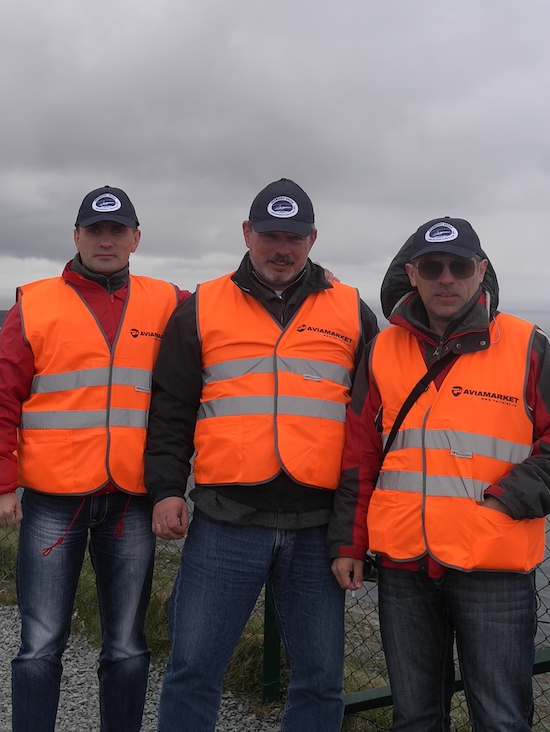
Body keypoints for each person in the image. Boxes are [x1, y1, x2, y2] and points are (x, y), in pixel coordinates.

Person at [329, 216, 550, 732]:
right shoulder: (383, 350)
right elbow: (360, 455)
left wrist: (505, 499)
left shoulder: (527, 344)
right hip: (404, 565)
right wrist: (349, 542)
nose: (446, 278)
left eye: (459, 266)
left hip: (493, 566)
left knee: (500, 719)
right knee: (414, 716)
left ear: (481, 270)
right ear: (413, 274)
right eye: (432, 267)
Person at [144, 177, 379, 731]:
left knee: (319, 681)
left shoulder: (352, 310)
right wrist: (165, 491)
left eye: (294, 237)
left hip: (317, 526)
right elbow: (171, 408)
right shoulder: (202, 307)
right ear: (247, 233)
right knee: (193, 669)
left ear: (313, 239)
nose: (282, 248)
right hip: (225, 521)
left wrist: (355, 526)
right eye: (270, 235)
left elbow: (372, 424)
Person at [0, 185, 187, 732]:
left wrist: (316, 281)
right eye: (95, 230)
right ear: (76, 237)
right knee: (40, 643)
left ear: (136, 238)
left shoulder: (169, 301)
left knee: (128, 645)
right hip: (53, 501)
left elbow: (235, 307)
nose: (106, 240)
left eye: (117, 231)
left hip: (132, 500)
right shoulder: (35, 303)